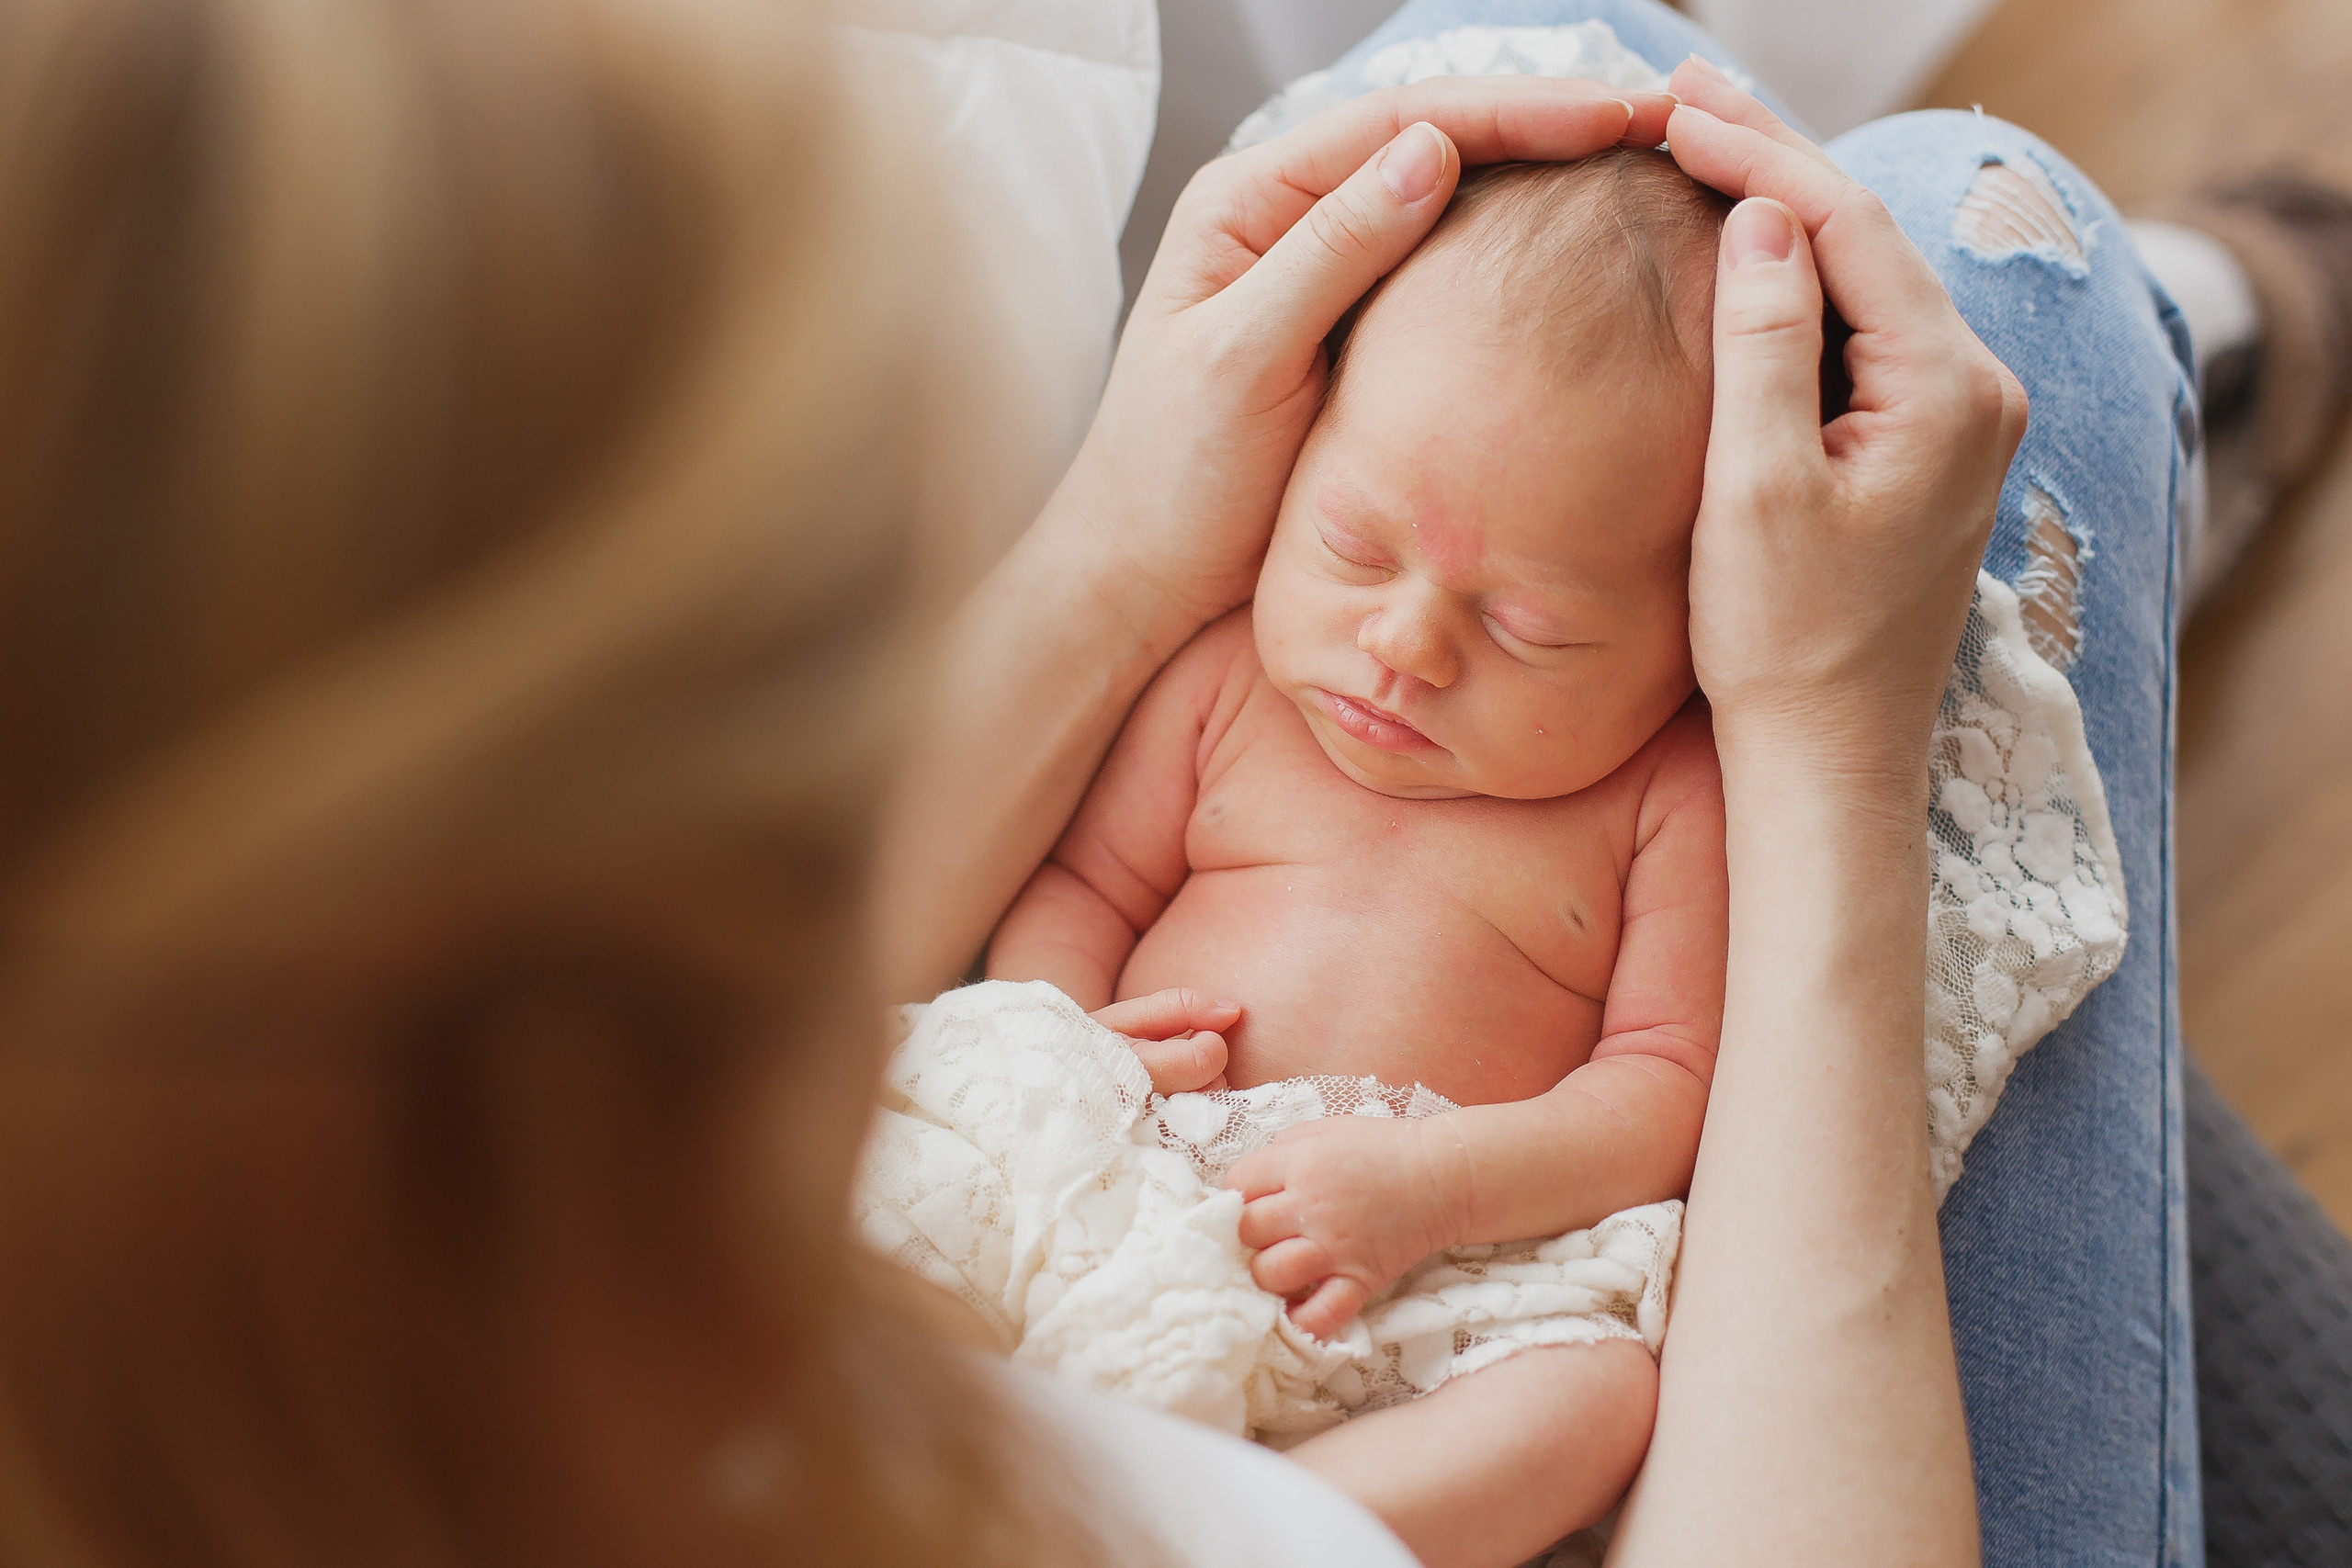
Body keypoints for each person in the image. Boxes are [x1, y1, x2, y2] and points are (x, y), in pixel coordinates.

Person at [0, 0, 2281, 1566]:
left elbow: (1630, 1074)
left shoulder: (290, 1342)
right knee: (1998, 244)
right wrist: (1822, 739)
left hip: (1361, 1195)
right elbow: (1069, 902)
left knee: (1539, 95)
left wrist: (1120, 540)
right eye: (851, 692)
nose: (1383, 651)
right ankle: (2210, 336)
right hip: (1324, 1319)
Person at [967, 150, 1733, 1562]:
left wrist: (1429, 1190)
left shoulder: (1664, 792)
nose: (1406, 645)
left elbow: (1667, 1088)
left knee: (1599, 1394)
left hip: (1427, 1274)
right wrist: (1074, 1043)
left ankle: (1260, 1531)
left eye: (1532, 629)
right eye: (1353, 546)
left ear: (1696, 631)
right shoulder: (1228, 678)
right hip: (1115, 1169)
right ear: (1300, 456)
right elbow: (1079, 891)